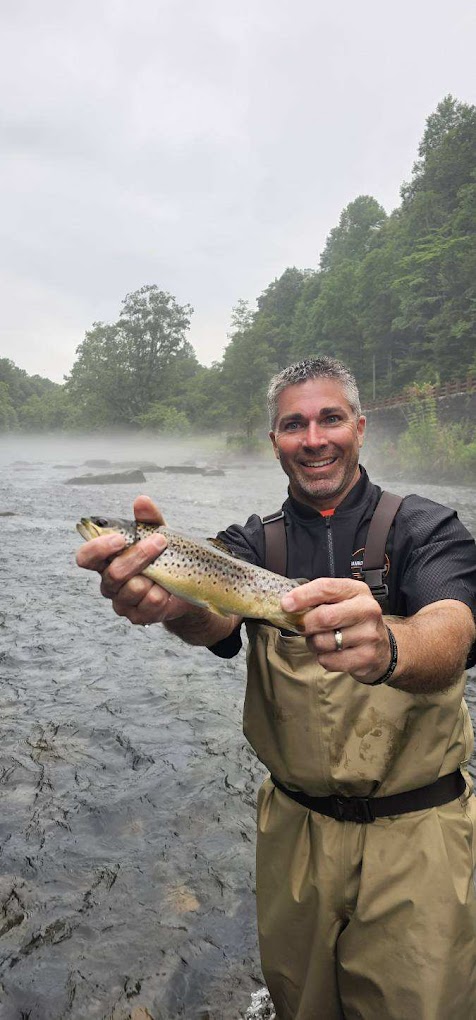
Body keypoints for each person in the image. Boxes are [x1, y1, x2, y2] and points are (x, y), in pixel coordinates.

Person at [76, 357, 476, 1020]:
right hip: (293, 832)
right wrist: (174, 605)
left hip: (420, 837)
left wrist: (390, 647)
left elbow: (453, 628)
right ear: (274, 441)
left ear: (360, 427)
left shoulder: (425, 530)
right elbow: (214, 617)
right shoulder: (247, 547)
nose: (313, 438)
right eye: (294, 424)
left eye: (330, 419)